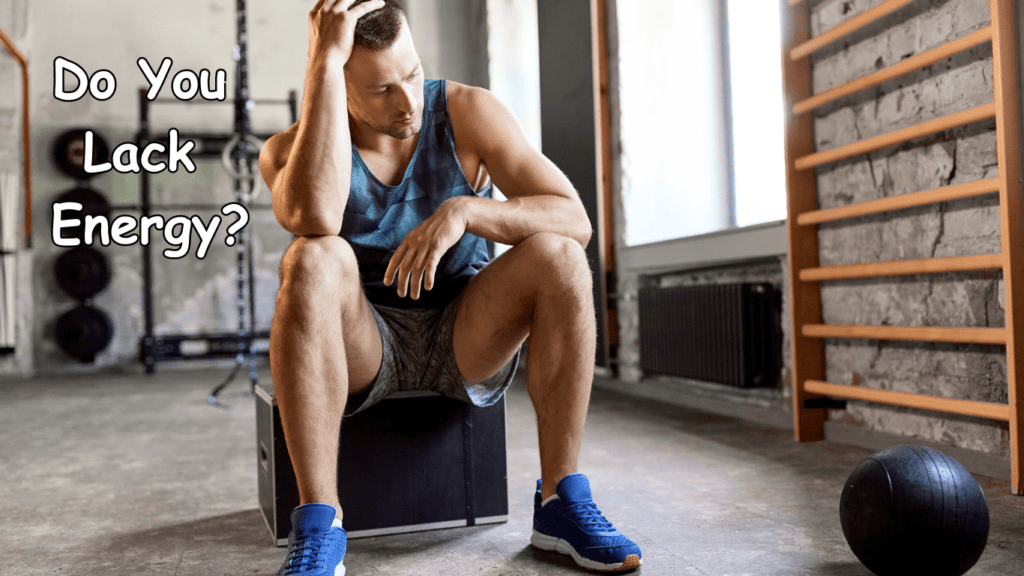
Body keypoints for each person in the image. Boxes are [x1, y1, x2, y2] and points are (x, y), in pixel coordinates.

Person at [259, 0, 642, 573]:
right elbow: (314, 215)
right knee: (312, 258)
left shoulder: (467, 111)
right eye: (381, 89)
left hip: (467, 331)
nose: (408, 102)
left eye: (412, 74)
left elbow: (575, 220)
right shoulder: (289, 151)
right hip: (365, 344)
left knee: (559, 256)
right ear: (336, 80)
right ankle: (320, 525)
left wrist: (467, 212)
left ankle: (561, 501)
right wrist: (322, 65)